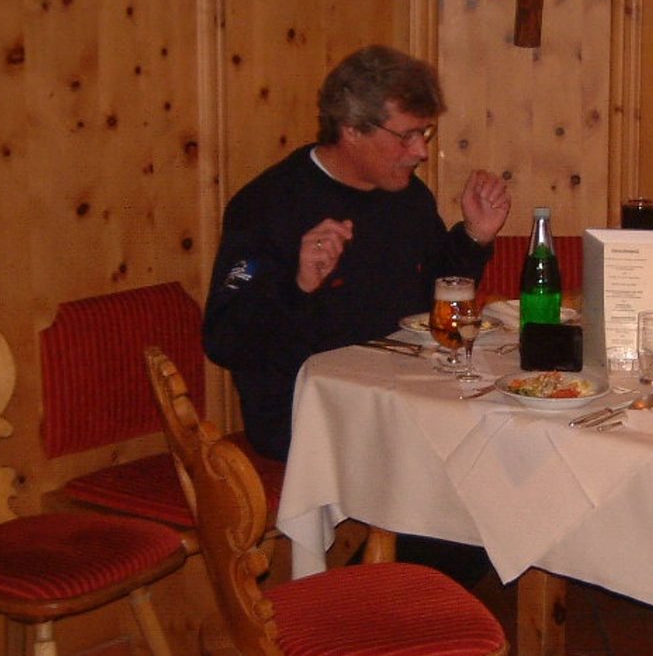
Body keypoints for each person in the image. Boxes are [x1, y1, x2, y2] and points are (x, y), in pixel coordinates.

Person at [204, 44, 511, 461]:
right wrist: (297, 286)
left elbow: (436, 297)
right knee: (463, 457)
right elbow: (224, 341)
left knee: (504, 434)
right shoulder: (269, 205)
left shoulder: (407, 198)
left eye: (425, 134)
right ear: (351, 129)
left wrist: (474, 236)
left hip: (402, 394)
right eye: (406, 136)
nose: (421, 152)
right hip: (307, 412)